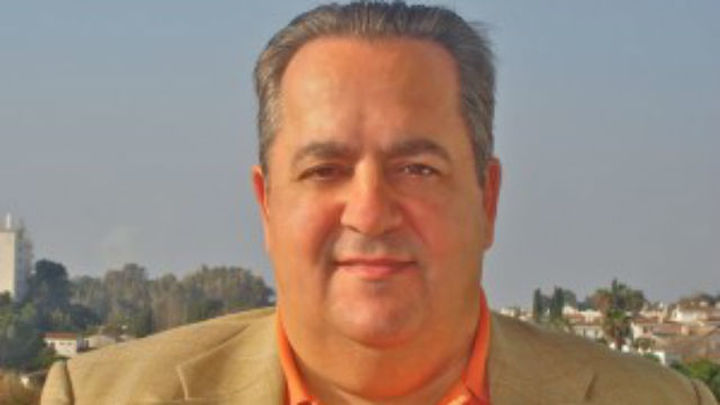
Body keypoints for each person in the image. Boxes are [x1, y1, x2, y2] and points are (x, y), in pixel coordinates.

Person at [41, 2, 716, 404]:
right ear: (267, 204)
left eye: (417, 169)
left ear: (487, 198)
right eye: (325, 169)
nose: (370, 212)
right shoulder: (99, 398)